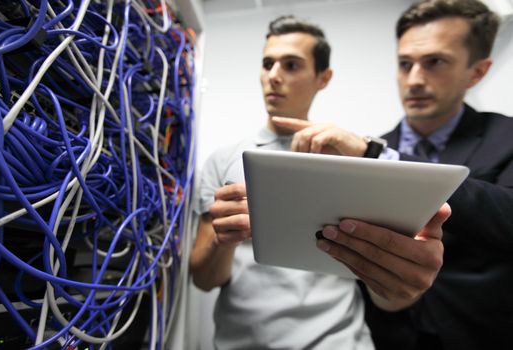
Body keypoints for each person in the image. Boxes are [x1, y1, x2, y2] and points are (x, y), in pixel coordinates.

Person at [190, 15, 449, 349]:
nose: (274, 76)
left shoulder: (353, 159)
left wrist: (403, 284)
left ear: (323, 78)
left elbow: (386, 282)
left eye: (291, 65)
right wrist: (221, 240)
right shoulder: (224, 161)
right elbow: (204, 279)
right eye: (267, 63)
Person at [272, 1, 513, 349]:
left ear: (476, 71)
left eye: (435, 62)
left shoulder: (505, 137)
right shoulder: (367, 153)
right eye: (405, 64)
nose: (414, 79)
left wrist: (377, 155)